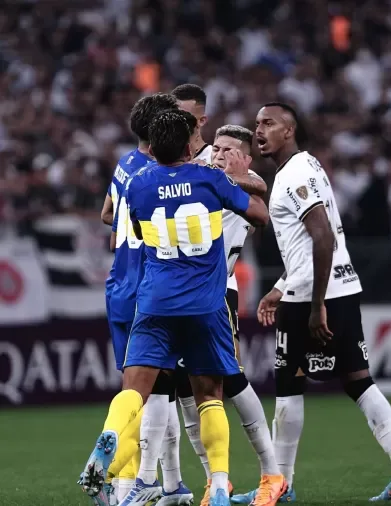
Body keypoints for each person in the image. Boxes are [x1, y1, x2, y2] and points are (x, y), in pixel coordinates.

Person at [78, 109, 270, 506]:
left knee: (135, 390)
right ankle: (218, 484)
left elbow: (123, 228)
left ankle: (111, 447)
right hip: (205, 304)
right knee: (210, 394)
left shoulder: (138, 186)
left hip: (154, 302)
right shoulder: (211, 178)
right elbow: (259, 215)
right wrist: (228, 184)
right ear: (188, 146)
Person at [233, 102, 391, 504]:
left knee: (288, 385)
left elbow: (323, 238)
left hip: (314, 298)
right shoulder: (308, 166)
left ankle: (280, 485)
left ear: (289, 130)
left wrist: (315, 305)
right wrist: (281, 287)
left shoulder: (295, 173)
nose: (259, 130)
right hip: (339, 288)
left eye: (268, 123)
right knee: (358, 382)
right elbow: (310, 247)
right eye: (256, 124)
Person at [172, 85, 275, 506]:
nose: (219, 154)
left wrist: (225, 173)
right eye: (217, 147)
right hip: (182, 295)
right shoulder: (205, 174)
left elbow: (261, 195)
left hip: (219, 293)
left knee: (228, 379)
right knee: (184, 387)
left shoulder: (247, 183)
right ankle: (215, 479)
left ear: (246, 158)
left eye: (230, 149)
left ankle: (272, 474)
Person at [97, 92, 190, 506]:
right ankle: (130, 486)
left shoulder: (124, 166)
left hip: (118, 285)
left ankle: (165, 484)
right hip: (149, 290)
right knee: (152, 394)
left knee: (137, 391)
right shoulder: (163, 175)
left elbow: (107, 216)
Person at [172, 84, 213, 161]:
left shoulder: (215, 160)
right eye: (173, 115)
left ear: (202, 121)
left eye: (185, 117)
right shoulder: (160, 160)